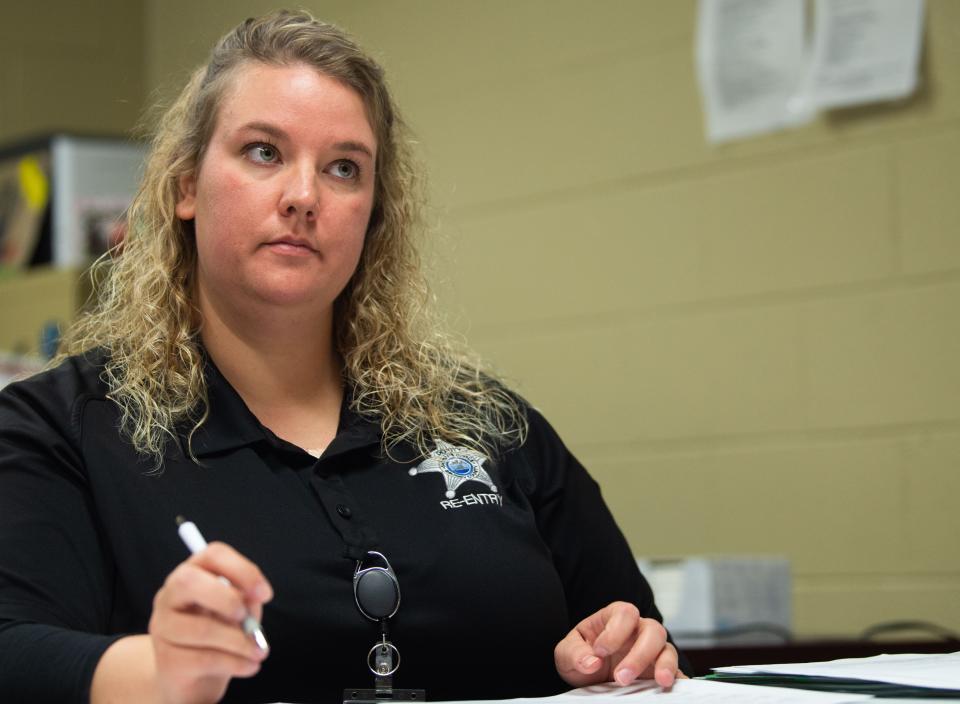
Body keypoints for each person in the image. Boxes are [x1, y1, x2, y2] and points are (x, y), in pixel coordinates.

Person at [0, 10, 686, 703]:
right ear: (185, 186)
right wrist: (160, 672)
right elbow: (12, 650)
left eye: (343, 169)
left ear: (372, 213)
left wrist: (616, 656)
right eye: (264, 151)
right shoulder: (60, 429)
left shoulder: (492, 427)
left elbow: (633, 631)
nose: (304, 197)